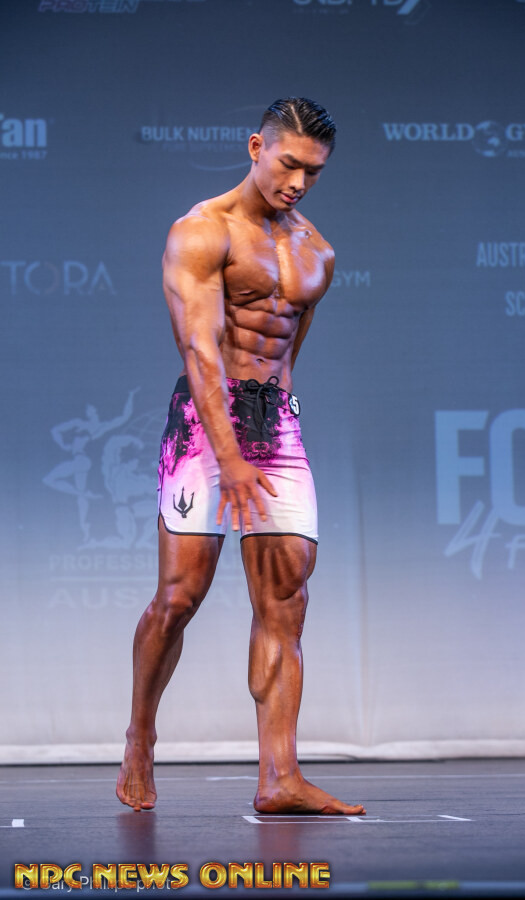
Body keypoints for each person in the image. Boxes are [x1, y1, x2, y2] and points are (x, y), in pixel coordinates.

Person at [117, 98, 365, 816]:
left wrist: (272, 431)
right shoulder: (202, 231)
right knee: (179, 597)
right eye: (288, 164)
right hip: (205, 423)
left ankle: (279, 776)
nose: (298, 182)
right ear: (257, 147)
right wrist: (229, 458)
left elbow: (286, 355)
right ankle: (140, 734)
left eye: (313, 172)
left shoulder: (318, 251)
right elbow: (200, 351)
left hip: (274, 426)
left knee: (287, 595)